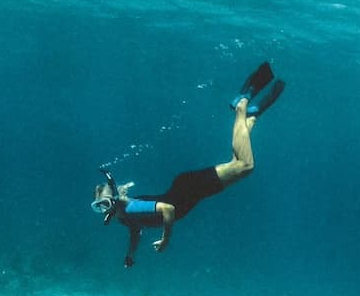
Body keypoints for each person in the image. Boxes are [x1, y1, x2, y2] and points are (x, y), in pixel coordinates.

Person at [92, 62, 285, 268]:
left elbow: (167, 209)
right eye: (99, 206)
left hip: (190, 188)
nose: (103, 210)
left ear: (113, 199)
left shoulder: (130, 208)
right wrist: (131, 255)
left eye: (104, 203)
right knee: (238, 162)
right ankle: (250, 117)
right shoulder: (125, 218)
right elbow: (135, 231)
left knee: (245, 165)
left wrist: (166, 239)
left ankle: (242, 105)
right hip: (192, 191)